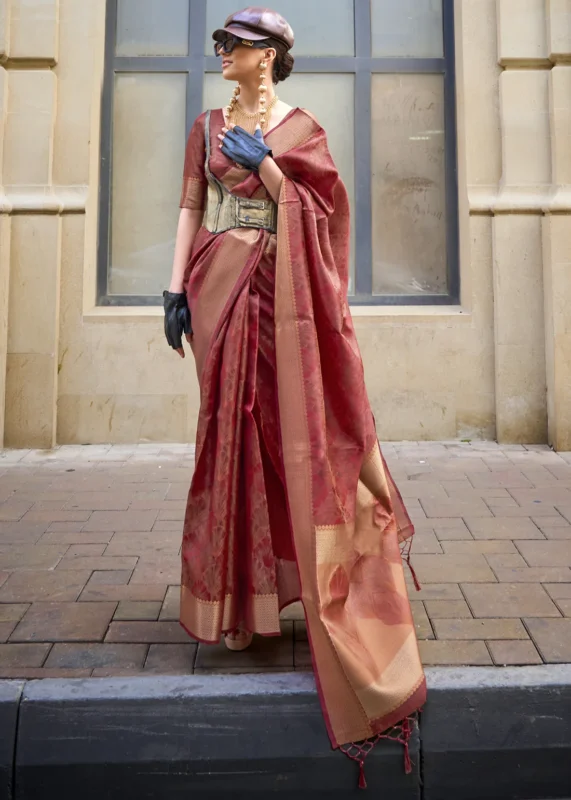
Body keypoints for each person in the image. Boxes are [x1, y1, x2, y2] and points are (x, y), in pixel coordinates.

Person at [163, 6, 426, 785]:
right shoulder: (205, 123)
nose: (221, 54)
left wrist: (271, 168)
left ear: (269, 57)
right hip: (219, 286)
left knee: (293, 434)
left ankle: (312, 586)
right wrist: (173, 287)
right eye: (221, 44)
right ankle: (237, 606)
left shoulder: (303, 128)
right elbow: (187, 204)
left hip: (285, 296)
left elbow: (324, 213)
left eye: (234, 46)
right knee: (228, 434)